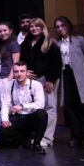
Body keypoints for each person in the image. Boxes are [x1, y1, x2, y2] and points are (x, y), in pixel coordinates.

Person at [55, 15, 84, 148]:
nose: (60, 28)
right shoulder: (57, 43)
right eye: (57, 27)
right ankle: (76, 136)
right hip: (66, 75)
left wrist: (82, 69)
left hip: (81, 76)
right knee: (71, 108)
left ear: (68, 25)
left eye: (62, 25)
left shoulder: (80, 39)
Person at [20, 18, 61, 148]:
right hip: (31, 80)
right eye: (32, 26)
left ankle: (47, 138)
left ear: (42, 27)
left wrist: (51, 80)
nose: (34, 28)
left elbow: (57, 63)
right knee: (36, 108)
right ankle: (37, 136)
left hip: (46, 79)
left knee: (50, 108)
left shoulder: (50, 43)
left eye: (37, 26)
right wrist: (26, 72)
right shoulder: (25, 43)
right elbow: (22, 61)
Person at [0, 61, 48, 154]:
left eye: (22, 71)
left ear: (27, 72)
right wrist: (5, 120)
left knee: (42, 114)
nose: (19, 74)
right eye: (16, 71)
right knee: (3, 132)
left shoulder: (36, 85)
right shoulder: (9, 85)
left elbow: (40, 104)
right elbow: (5, 104)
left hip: (31, 117)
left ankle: (36, 143)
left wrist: (22, 106)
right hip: (18, 117)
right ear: (13, 73)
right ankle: (24, 139)